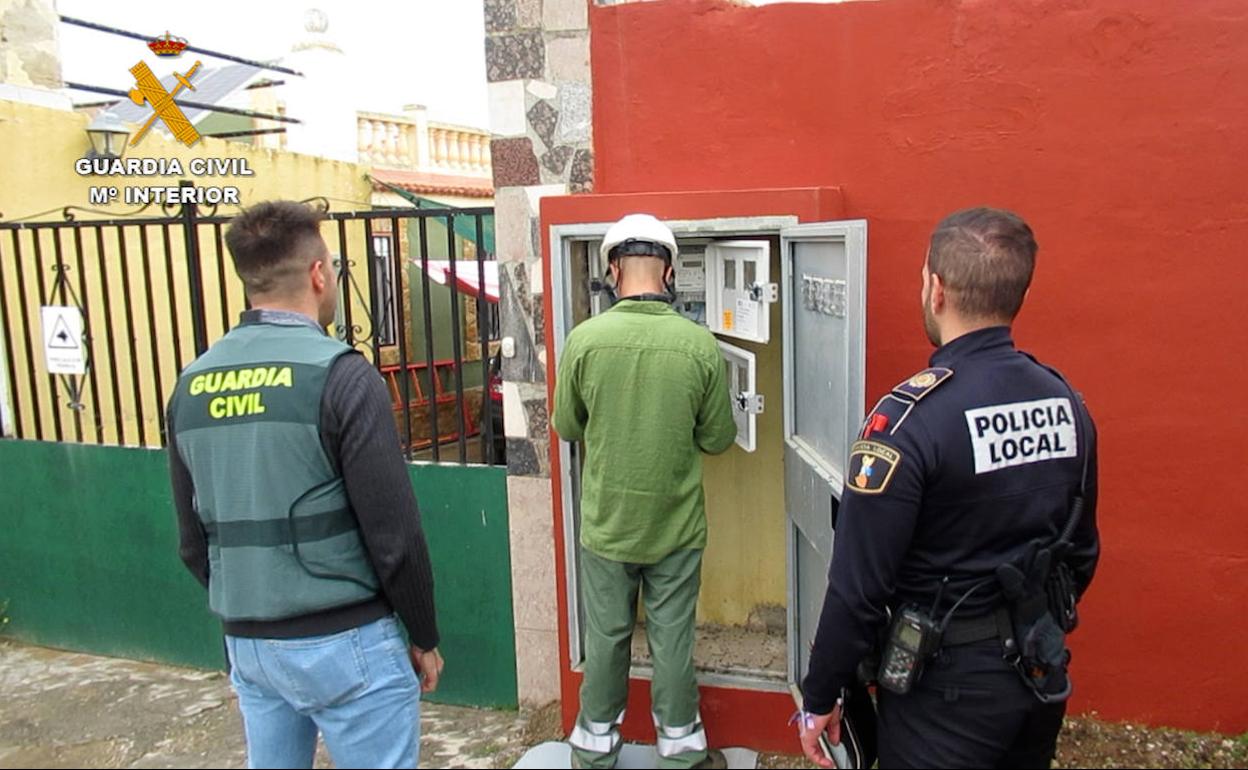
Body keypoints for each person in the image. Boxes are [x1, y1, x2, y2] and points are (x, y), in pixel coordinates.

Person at [797, 207, 1100, 769]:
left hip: (942, 693)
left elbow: (856, 591)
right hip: (1037, 671)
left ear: (935, 289)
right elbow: (1081, 552)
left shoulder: (906, 423)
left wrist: (820, 698)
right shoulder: (1067, 403)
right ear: (1017, 295)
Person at [166, 200, 443, 769]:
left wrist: (254, 611)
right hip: (347, 642)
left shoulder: (189, 386)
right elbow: (394, 536)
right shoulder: (341, 375)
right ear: (319, 275)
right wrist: (423, 633)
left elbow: (194, 543)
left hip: (251, 646)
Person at [552, 214, 738, 769]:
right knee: (672, 636)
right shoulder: (698, 344)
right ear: (671, 270)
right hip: (676, 527)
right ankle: (681, 752)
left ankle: (593, 750)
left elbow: (566, 425)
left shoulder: (584, 340)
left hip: (607, 525)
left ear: (613, 269)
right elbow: (718, 438)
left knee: (607, 636)